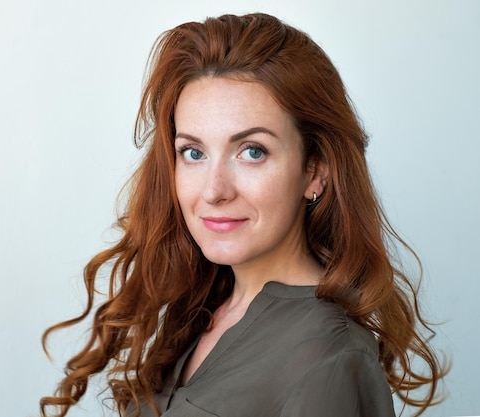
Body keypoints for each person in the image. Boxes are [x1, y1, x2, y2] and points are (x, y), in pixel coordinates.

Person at [40, 13, 447, 417]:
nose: (214, 191)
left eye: (252, 151)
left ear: (315, 170)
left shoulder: (326, 356)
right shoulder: (200, 309)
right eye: (193, 153)